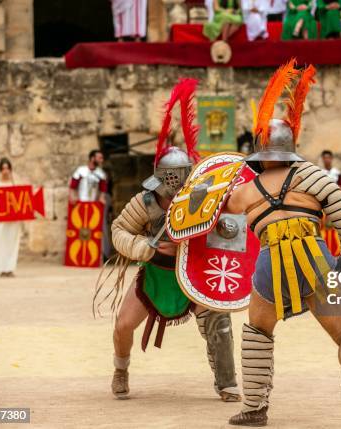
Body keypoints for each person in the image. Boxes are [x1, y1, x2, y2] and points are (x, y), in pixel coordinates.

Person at [226, 60, 341, 426]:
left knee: (258, 333)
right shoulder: (312, 175)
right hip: (316, 258)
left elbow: (214, 220)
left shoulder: (246, 190)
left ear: (259, 153)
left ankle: (254, 409)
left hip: (270, 263)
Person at [96, 79, 240, 402]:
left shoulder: (205, 198)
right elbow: (119, 230)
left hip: (194, 273)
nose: (175, 185)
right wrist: (144, 248)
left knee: (219, 320)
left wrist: (226, 228)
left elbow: (228, 226)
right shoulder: (147, 202)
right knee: (122, 326)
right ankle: (121, 369)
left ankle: (227, 382)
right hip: (157, 274)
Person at [0, 158, 22, 278]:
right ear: (0, 170)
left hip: (13, 221)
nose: (5, 171)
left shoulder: (14, 184)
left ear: (10, 169)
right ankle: (1, 268)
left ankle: (10, 268)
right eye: (3, 168)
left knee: (11, 243)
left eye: (7, 168)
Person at [320, 150, 341, 256]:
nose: (327, 160)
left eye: (328, 157)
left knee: (336, 227)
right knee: (324, 228)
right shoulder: (320, 173)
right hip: (323, 204)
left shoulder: (337, 173)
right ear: (323, 159)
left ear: (331, 159)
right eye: (325, 158)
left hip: (335, 204)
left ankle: (336, 252)